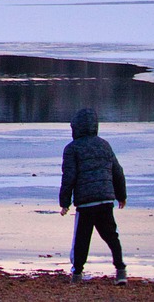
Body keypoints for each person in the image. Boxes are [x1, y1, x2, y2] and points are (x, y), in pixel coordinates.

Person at [59, 108, 128, 285]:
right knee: (112, 236)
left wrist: (65, 202)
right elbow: (117, 172)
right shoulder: (104, 145)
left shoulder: (72, 149)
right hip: (106, 199)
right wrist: (121, 195)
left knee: (82, 239)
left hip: (86, 202)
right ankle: (120, 271)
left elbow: (69, 177)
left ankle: (77, 274)